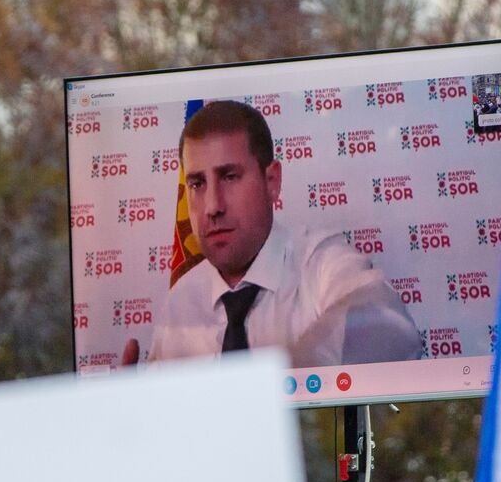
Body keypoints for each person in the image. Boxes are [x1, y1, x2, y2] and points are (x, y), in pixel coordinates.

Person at [122, 100, 421, 368]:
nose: (213, 206)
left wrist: (283, 384)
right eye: (197, 184)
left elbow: (391, 328)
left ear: (272, 182)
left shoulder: (320, 263)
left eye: (230, 177)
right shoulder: (180, 301)